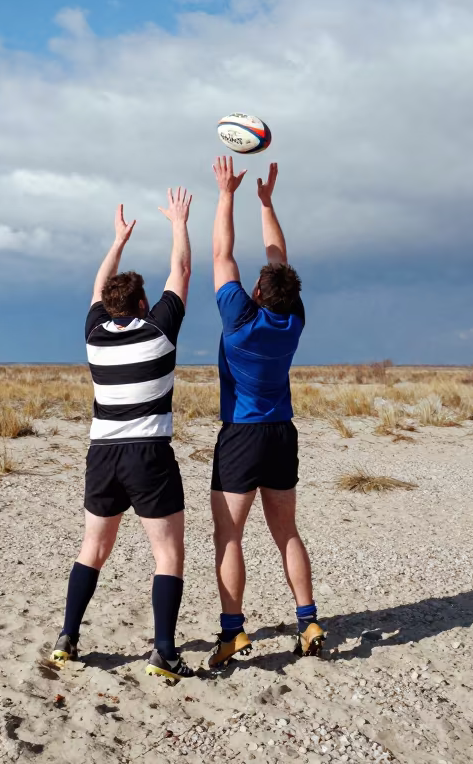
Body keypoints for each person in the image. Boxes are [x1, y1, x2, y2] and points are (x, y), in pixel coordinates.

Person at [50, 187, 198, 682]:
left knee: (93, 547)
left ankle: (67, 638)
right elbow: (182, 272)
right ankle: (163, 651)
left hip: (102, 455)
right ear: (141, 303)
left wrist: (117, 242)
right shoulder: (159, 332)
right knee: (168, 554)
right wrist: (178, 221)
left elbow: (96, 289)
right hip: (149, 455)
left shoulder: (93, 335)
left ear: (110, 306)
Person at [206, 156, 325, 668]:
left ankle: (233, 632)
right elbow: (279, 261)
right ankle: (309, 619)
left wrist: (227, 192)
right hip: (282, 433)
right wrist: (267, 202)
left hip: (242, 436)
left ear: (256, 293)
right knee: (287, 532)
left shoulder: (238, 318)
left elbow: (220, 251)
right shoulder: (293, 318)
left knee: (229, 535)